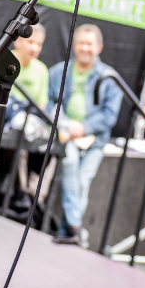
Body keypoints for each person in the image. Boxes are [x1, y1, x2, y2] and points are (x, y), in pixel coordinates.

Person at [47, 23, 122, 246]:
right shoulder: (58, 72)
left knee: (82, 180)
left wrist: (84, 127)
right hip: (66, 136)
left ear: (99, 47)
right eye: (80, 43)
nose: (84, 48)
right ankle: (76, 227)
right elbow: (49, 103)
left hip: (94, 141)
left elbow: (110, 116)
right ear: (74, 45)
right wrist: (66, 124)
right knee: (70, 167)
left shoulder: (110, 77)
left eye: (89, 44)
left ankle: (69, 228)